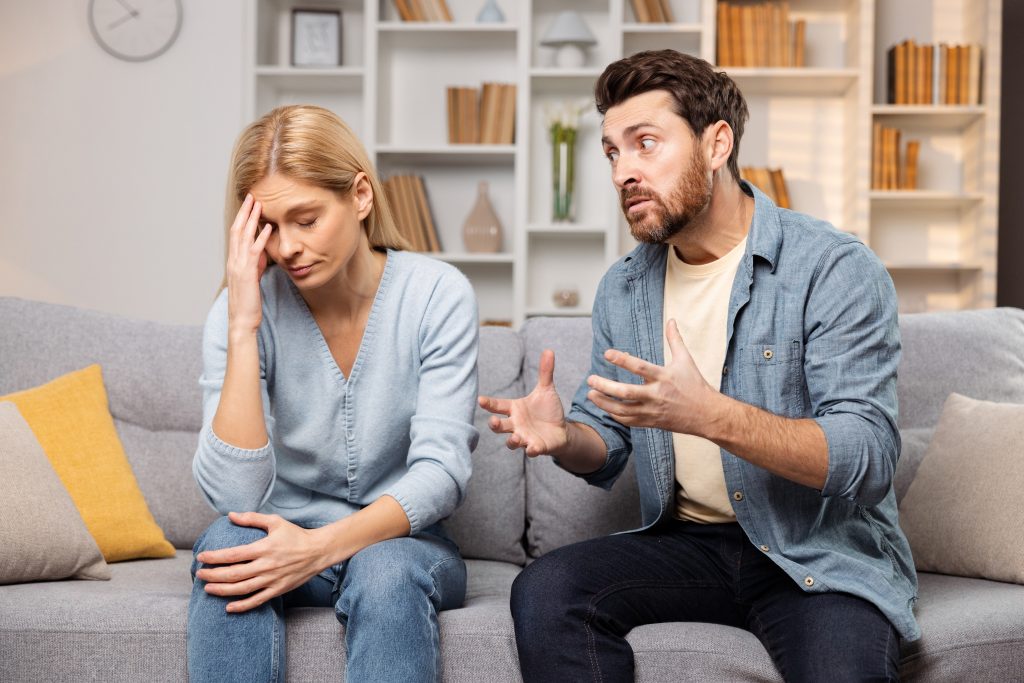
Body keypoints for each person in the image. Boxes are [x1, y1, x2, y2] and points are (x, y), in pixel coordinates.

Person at [480, 50, 918, 682]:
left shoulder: (832, 268)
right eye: (612, 153)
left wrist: (709, 414)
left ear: (717, 145)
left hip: (814, 552)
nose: (623, 172)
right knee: (547, 589)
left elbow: (868, 457)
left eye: (646, 143)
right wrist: (564, 438)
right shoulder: (625, 288)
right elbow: (607, 441)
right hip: (690, 548)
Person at [187, 104, 479, 683]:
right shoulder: (243, 310)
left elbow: (442, 474)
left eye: (307, 219)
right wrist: (243, 325)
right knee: (226, 543)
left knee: (386, 569)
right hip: (284, 540)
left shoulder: (437, 295)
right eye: (269, 228)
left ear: (360, 196)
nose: (287, 248)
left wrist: (319, 548)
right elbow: (235, 495)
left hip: (404, 543)